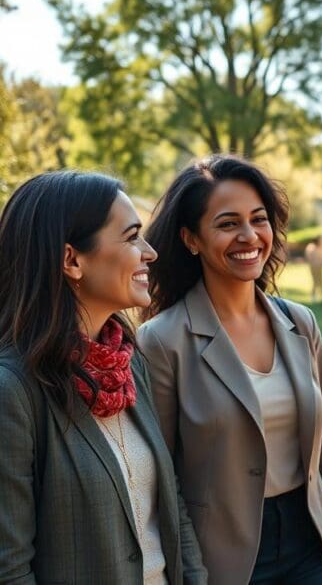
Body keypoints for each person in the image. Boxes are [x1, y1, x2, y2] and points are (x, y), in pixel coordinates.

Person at [139, 155, 322, 584]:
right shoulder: (162, 340)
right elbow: (162, 473)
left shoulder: (301, 323)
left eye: (258, 219)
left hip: (311, 542)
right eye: (228, 223)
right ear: (191, 239)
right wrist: (190, 570)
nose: (249, 236)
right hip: (222, 560)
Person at [0, 171, 206, 584]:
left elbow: (171, 503)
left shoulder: (129, 365)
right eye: (131, 237)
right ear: (71, 260)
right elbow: (10, 567)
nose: (149, 253)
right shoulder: (13, 391)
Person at [304, 235, 322, 303]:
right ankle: (313, 296)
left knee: (321, 281)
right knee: (315, 281)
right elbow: (310, 257)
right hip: (314, 267)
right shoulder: (311, 247)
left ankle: (321, 296)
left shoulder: (321, 247)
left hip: (320, 267)